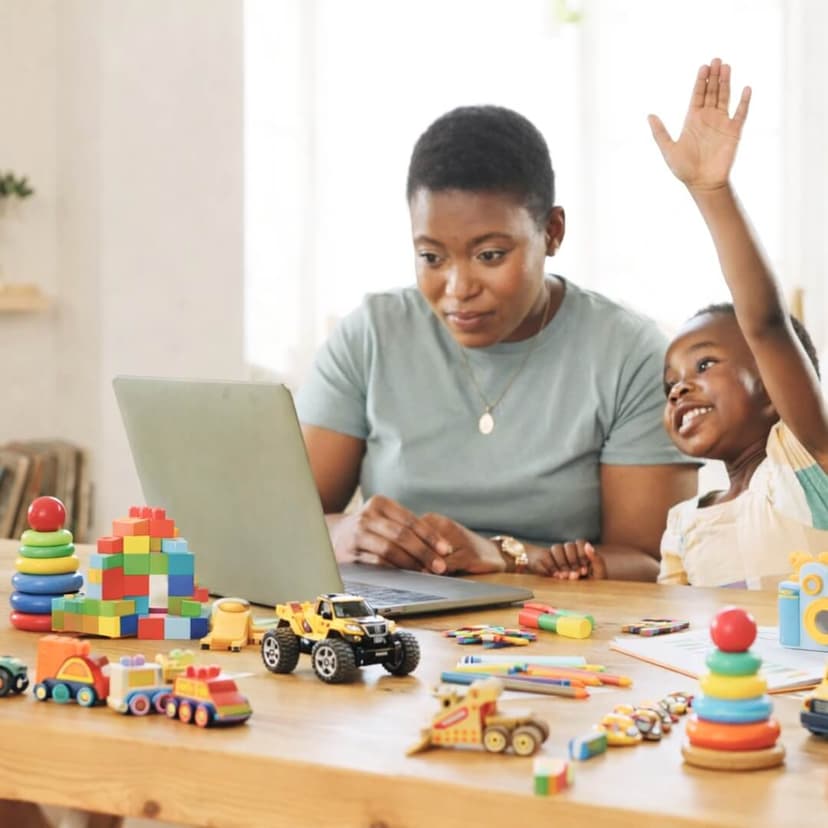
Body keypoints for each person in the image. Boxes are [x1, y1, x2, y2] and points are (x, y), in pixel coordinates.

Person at [296, 104, 697, 581]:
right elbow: (285, 522)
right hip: (403, 627)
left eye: (490, 255)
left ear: (552, 232)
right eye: (431, 256)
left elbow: (653, 564)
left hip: (566, 627)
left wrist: (505, 555)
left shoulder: (629, 352)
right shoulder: (372, 335)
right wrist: (342, 533)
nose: (458, 287)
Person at [646, 58, 828, 587]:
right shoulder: (683, 525)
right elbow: (669, 627)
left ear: (772, 388)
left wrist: (711, 191)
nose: (679, 388)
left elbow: (766, 323)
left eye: (703, 363)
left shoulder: (806, 464)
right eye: (669, 384)